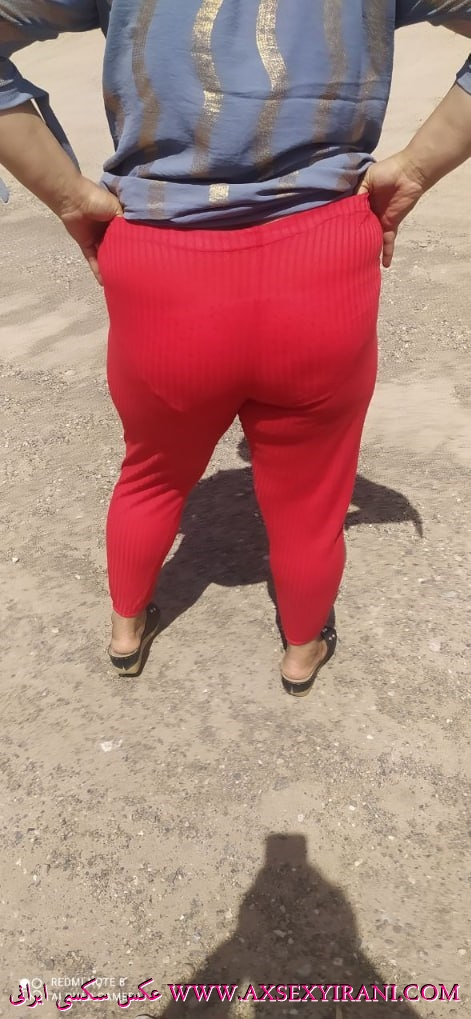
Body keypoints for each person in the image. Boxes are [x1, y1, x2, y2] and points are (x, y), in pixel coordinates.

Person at [0, 2, 470, 695]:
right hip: (320, 257)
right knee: (311, 493)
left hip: (162, 261)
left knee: (152, 472)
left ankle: (127, 630)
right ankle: (302, 649)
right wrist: (419, 167)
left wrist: (68, 195)